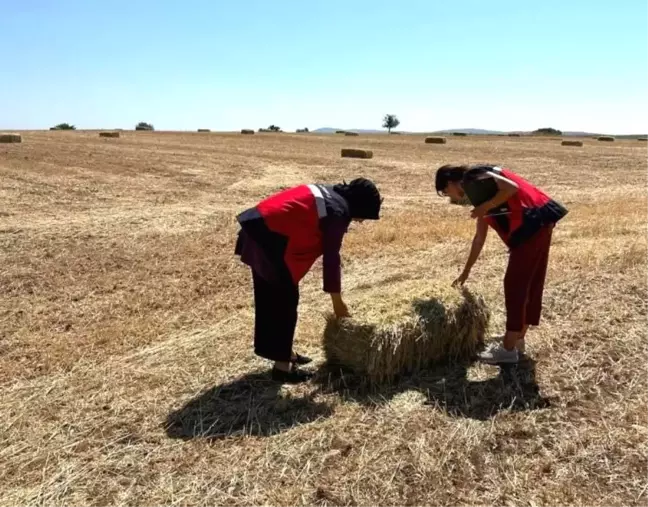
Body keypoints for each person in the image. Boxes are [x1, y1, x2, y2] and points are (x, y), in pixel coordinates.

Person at [235, 178, 382, 383]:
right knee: (285, 303)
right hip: (269, 241)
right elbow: (331, 259)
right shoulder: (337, 212)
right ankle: (282, 369)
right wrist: (337, 303)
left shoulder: (330, 194)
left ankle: (284, 353)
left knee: (270, 300)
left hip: (257, 230)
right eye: (364, 216)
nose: (361, 221)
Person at [435, 164, 568, 364]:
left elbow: (511, 187)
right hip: (539, 223)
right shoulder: (482, 194)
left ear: (450, 182)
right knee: (530, 282)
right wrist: (466, 272)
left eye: (447, 192)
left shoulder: (474, 176)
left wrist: (485, 207)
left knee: (515, 285)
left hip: (532, 225)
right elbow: (479, 239)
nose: (452, 198)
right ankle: (517, 339)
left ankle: (507, 350)